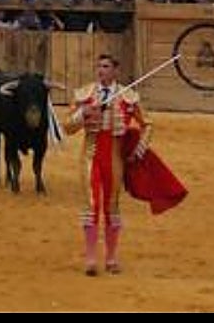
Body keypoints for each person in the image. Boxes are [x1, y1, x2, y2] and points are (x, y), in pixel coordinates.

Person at [64, 54, 152, 276]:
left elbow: (147, 125)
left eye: (105, 67)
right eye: (99, 66)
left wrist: (138, 150)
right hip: (90, 155)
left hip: (114, 157)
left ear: (115, 70)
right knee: (91, 204)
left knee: (112, 206)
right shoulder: (85, 94)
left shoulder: (128, 96)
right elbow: (67, 127)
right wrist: (82, 113)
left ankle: (111, 258)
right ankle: (92, 259)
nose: (100, 70)